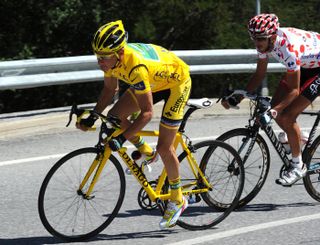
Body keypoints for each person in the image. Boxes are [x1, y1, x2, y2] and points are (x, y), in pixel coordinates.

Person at [76, 20, 191, 229]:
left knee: (165, 147)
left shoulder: (134, 66)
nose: (99, 62)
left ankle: (177, 199)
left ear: (119, 53)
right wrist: (93, 116)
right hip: (155, 81)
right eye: (97, 56)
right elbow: (110, 91)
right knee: (115, 115)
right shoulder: (111, 60)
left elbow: (147, 113)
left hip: (177, 84)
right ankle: (146, 151)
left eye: (103, 57)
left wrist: (122, 138)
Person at [222, 13, 320, 186]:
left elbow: (294, 90)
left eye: (260, 39)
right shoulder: (266, 44)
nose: (257, 43)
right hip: (305, 63)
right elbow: (260, 74)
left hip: (315, 68)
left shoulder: (289, 49)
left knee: (286, 116)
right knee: (276, 110)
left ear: (273, 36)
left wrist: (275, 110)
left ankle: (298, 166)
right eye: (254, 38)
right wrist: (240, 95)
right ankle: (298, 138)